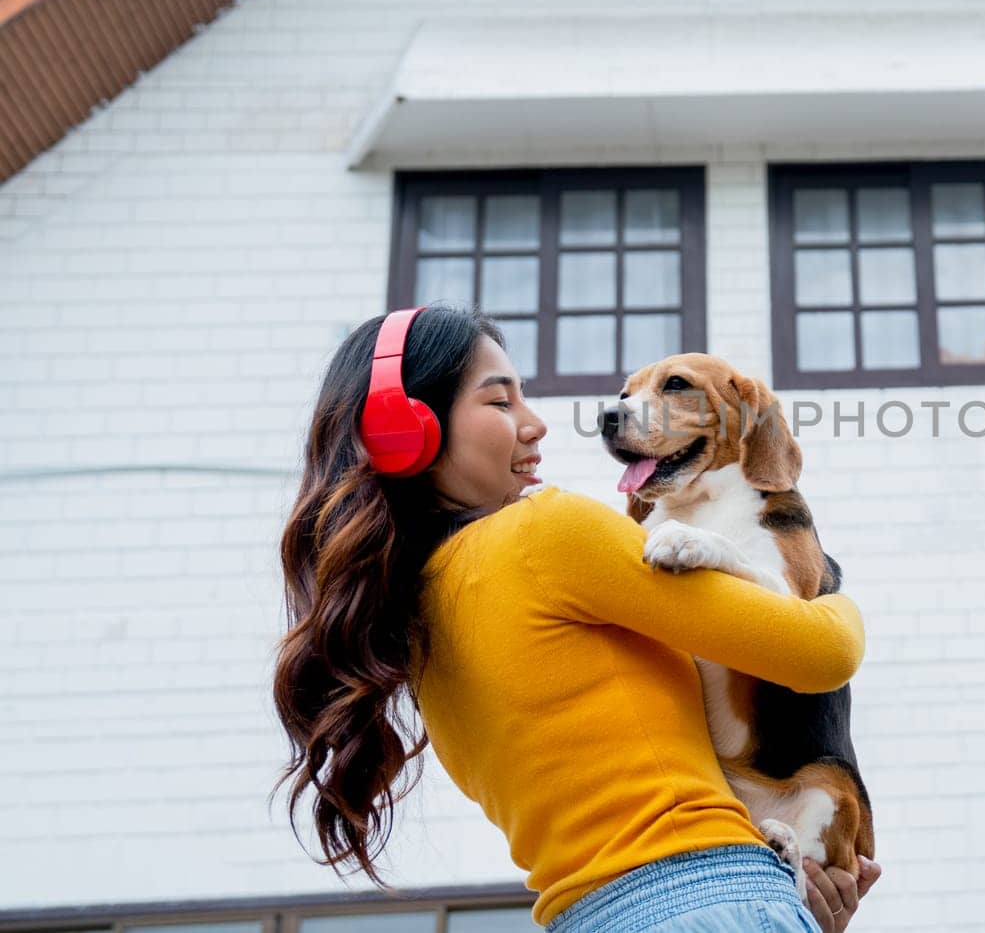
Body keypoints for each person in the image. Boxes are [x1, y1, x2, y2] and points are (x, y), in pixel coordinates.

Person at [272, 305, 880, 933]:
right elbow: (819, 652)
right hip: (707, 899)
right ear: (407, 430)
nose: (535, 426)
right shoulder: (547, 533)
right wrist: (836, 592)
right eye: (501, 403)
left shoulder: (408, 621)